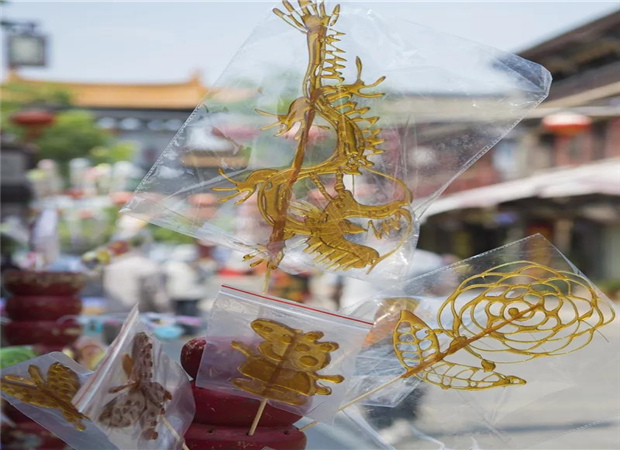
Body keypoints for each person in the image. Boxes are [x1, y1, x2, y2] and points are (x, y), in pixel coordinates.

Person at [102, 235, 169, 314]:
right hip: (140, 315)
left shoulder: (111, 267)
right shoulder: (148, 266)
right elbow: (159, 297)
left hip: (113, 314)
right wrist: (167, 314)